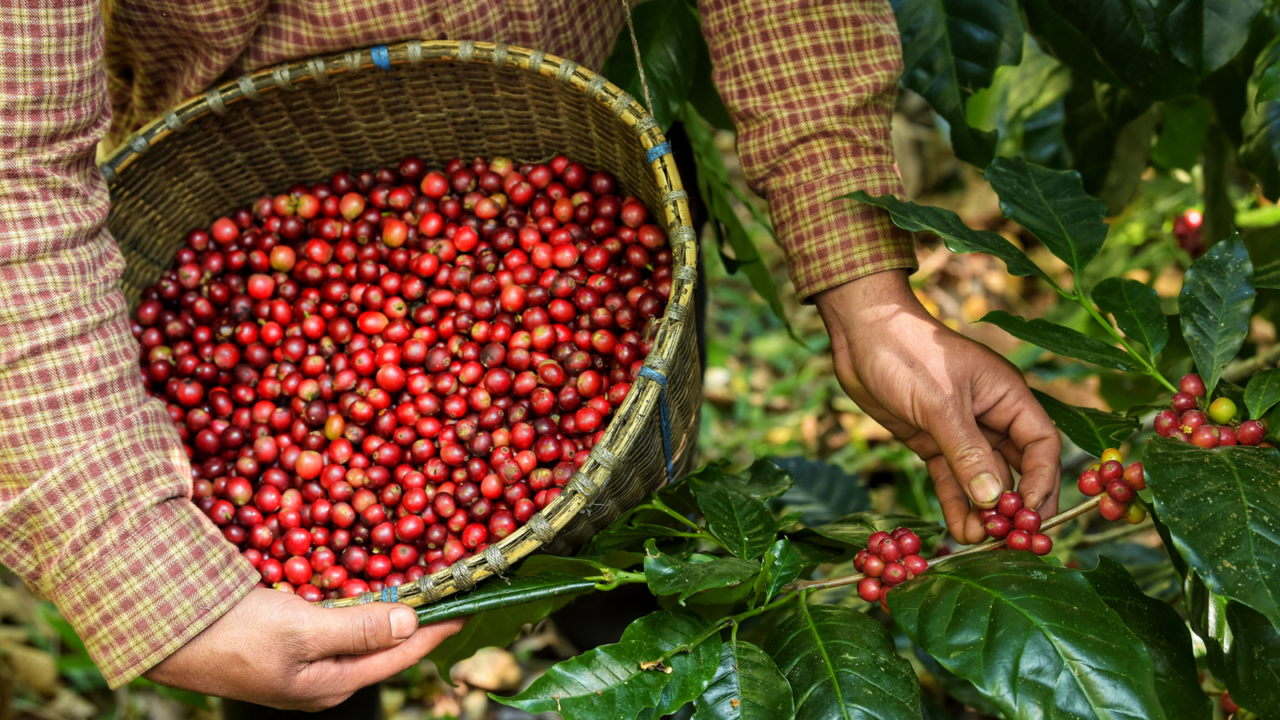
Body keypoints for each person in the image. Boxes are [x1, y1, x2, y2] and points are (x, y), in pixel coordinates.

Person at [0, 0, 1061, 710]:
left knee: (646, 540)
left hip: (569, 114)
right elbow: (13, 161)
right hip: (227, 149)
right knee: (292, 644)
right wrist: (135, 564)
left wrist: (865, 292)